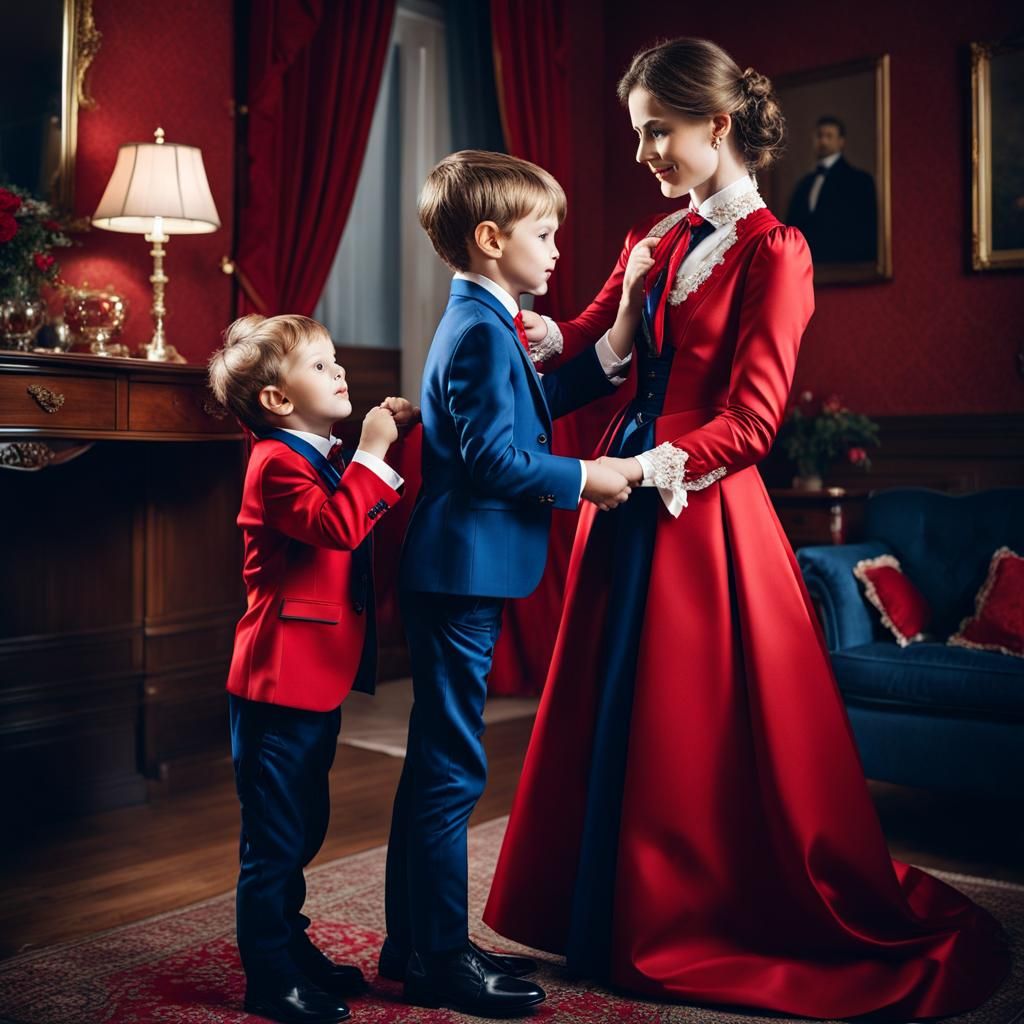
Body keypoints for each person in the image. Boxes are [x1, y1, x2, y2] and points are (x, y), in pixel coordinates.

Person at [484, 37, 1009, 1019]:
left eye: (656, 132)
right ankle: (605, 918)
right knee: (615, 716)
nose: (642, 152)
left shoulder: (777, 249)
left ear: (715, 125)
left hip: (698, 513)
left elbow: (757, 419)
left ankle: (689, 918)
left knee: (689, 731)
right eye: (637, 133)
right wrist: (526, 339)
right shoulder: (654, 238)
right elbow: (597, 360)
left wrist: (644, 468)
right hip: (625, 503)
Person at [381, 150, 636, 1018]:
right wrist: (586, 478)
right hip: (460, 573)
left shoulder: (487, 320)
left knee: (433, 768)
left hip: (459, 567)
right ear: (492, 240)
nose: (559, 247)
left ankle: (413, 944)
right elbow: (494, 456)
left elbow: (531, 405)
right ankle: (440, 959)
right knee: (451, 771)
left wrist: (617, 337)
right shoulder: (482, 331)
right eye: (544, 232)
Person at [208, 314, 416, 1024]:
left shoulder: (315, 453)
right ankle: (269, 978)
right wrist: (373, 451)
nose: (342, 373)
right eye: (323, 366)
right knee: (273, 840)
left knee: (302, 826)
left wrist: (390, 440)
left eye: (337, 362)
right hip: (277, 683)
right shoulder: (274, 462)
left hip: (313, 679)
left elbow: (347, 494)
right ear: (276, 400)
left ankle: (290, 948)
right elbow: (336, 525)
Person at [786, 115, 878, 263]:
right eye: (819, 136)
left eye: (829, 136)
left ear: (841, 141)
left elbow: (865, 231)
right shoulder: (804, 185)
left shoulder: (859, 181)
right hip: (808, 267)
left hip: (845, 266)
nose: (823, 141)